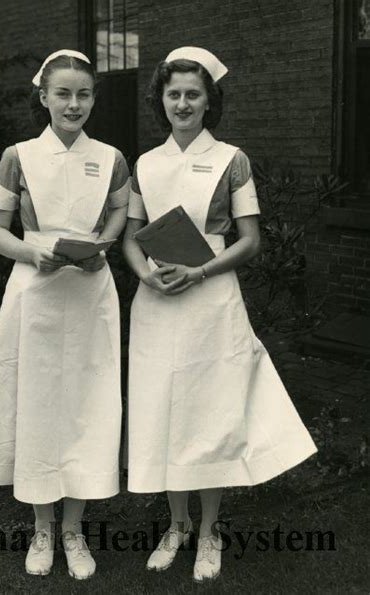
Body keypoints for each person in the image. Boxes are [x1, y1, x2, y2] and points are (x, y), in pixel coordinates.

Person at [123, 46, 317, 583]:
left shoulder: (232, 159)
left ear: (210, 102)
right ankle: (176, 524)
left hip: (210, 297)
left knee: (209, 412)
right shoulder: (146, 163)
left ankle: (209, 531)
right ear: (160, 101)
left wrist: (200, 273)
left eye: (193, 94)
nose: (182, 103)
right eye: (173, 94)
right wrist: (144, 274)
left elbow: (250, 240)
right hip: (158, 297)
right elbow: (130, 239)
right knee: (163, 409)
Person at [0, 49, 130, 580]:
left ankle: (74, 529)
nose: (73, 104)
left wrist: (107, 239)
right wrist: (32, 252)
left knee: (87, 405)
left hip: (91, 290)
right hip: (36, 292)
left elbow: (121, 207)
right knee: (39, 405)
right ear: (44, 97)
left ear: (94, 99)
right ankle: (42, 529)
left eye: (83, 94)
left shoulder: (112, 157)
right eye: (63, 94)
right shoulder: (18, 155)